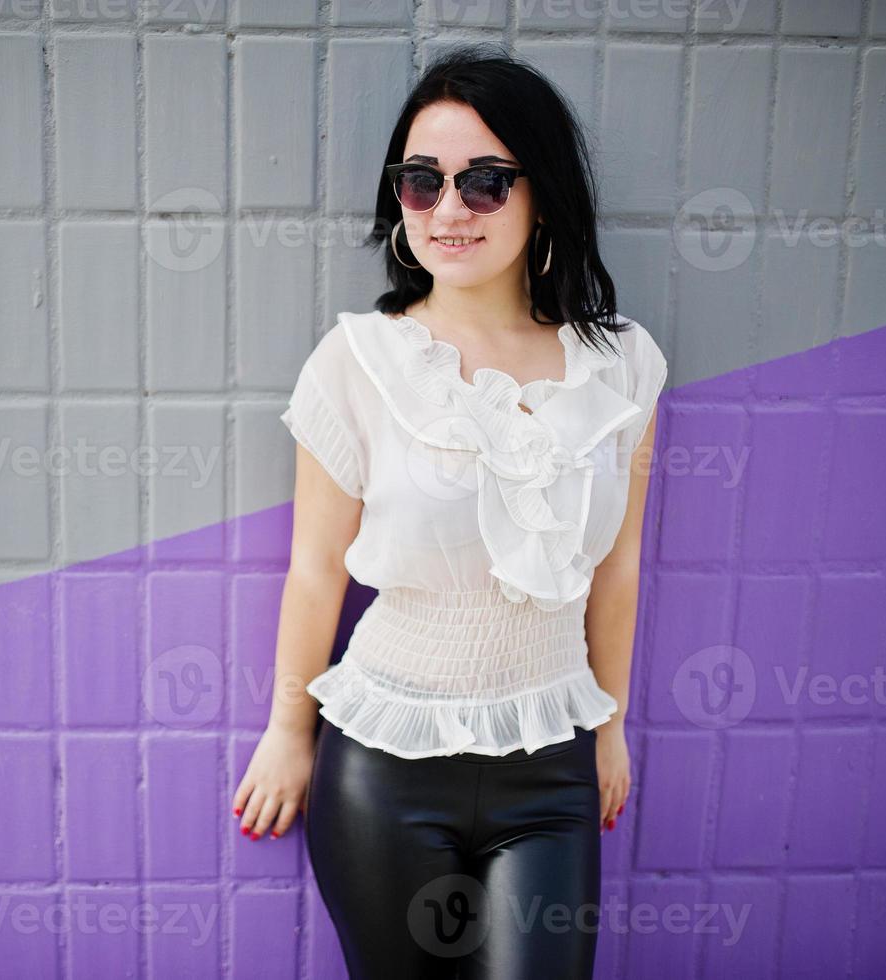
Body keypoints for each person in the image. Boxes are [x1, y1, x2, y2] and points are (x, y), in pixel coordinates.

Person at [230, 46, 669, 980]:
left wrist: (611, 724)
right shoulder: (355, 364)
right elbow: (316, 568)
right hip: (385, 762)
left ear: (540, 193)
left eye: (484, 182)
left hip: (551, 760)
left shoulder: (622, 363)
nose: (448, 209)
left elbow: (619, 563)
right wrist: (286, 731)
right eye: (420, 182)